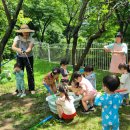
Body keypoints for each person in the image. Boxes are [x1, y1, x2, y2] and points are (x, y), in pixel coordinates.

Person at [12, 24, 35, 94]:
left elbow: (30, 48)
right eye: (24, 31)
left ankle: (31, 89)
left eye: (27, 31)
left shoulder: (32, 39)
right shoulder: (17, 38)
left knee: (30, 73)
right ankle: (18, 89)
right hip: (19, 58)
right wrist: (18, 50)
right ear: (21, 31)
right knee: (18, 73)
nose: (26, 33)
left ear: (29, 31)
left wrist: (25, 51)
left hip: (29, 57)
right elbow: (13, 47)